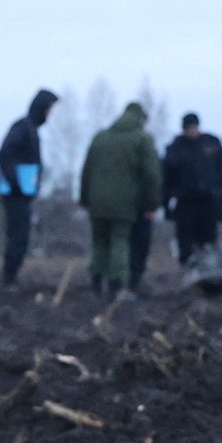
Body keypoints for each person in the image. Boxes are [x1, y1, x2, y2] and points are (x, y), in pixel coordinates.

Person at [79, 101, 162, 303]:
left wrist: (85, 199)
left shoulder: (101, 138)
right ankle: (115, 288)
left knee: (99, 243)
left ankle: (96, 284)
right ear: (141, 119)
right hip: (125, 203)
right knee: (119, 241)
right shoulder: (142, 139)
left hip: (97, 202)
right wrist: (152, 205)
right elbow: (152, 175)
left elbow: (87, 170)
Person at [0, 89, 57, 286]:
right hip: (16, 194)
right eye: (49, 109)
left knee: (21, 236)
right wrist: (18, 182)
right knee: (18, 237)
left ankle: (11, 277)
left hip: (22, 193)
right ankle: (9, 279)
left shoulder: (30, 129)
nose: (50, 114)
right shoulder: (22, 128)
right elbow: (5, 154)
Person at [161, 112, 222, 264]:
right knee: (185, 243)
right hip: (185, 202)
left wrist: (221, 199)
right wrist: (166, 204)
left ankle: (210, 274)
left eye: (193, 127)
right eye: (188, 128)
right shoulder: (175, 149)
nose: (191, 131)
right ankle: (188, 273)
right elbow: (167, 178)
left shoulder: (212, 144)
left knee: (209, 242)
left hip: (208, 201)